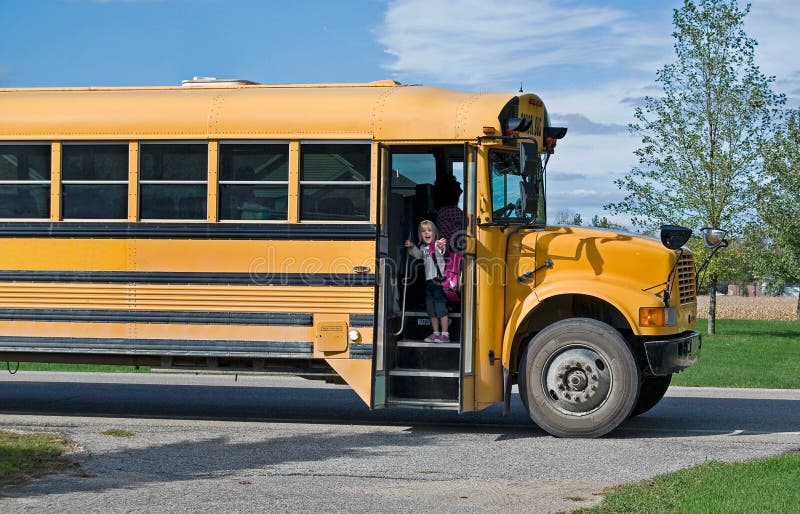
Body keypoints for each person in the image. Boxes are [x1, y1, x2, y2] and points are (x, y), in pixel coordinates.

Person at [404, 220, 450, 343]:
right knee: (431, 309)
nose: (426, 233)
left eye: (429, 230)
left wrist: (441, 246)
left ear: (434, 233)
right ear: (420, 235)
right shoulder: (424, 248)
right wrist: (412, 247)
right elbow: (419, 255)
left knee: (441, 308)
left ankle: (445, 334)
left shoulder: (436, 244)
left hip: (439, 281)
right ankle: (435, 333)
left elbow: (442, 250)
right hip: (429, 282)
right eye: (423, 231)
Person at [434, 175, 465, 252]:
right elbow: (471, 222)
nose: (461, 190)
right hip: (453, 251)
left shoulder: (444, 211)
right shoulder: (449, 211)